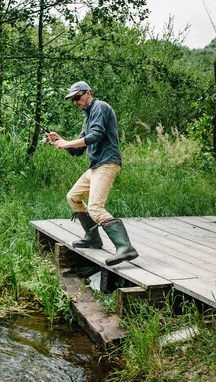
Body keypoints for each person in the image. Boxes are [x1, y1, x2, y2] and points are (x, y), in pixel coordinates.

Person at [46, 81, 139, 266]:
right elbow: (78, 150)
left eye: (77, 97)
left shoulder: (100, 107)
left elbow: (95, 136)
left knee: (96, 207)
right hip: (95, 167)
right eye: (73, 99)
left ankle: (125, 247)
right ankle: (93, 238)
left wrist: (68, 142)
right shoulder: (87, 118)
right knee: (73, 197)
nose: (75, 102)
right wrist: (60, 141)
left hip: (107, 163)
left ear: (88, 93)